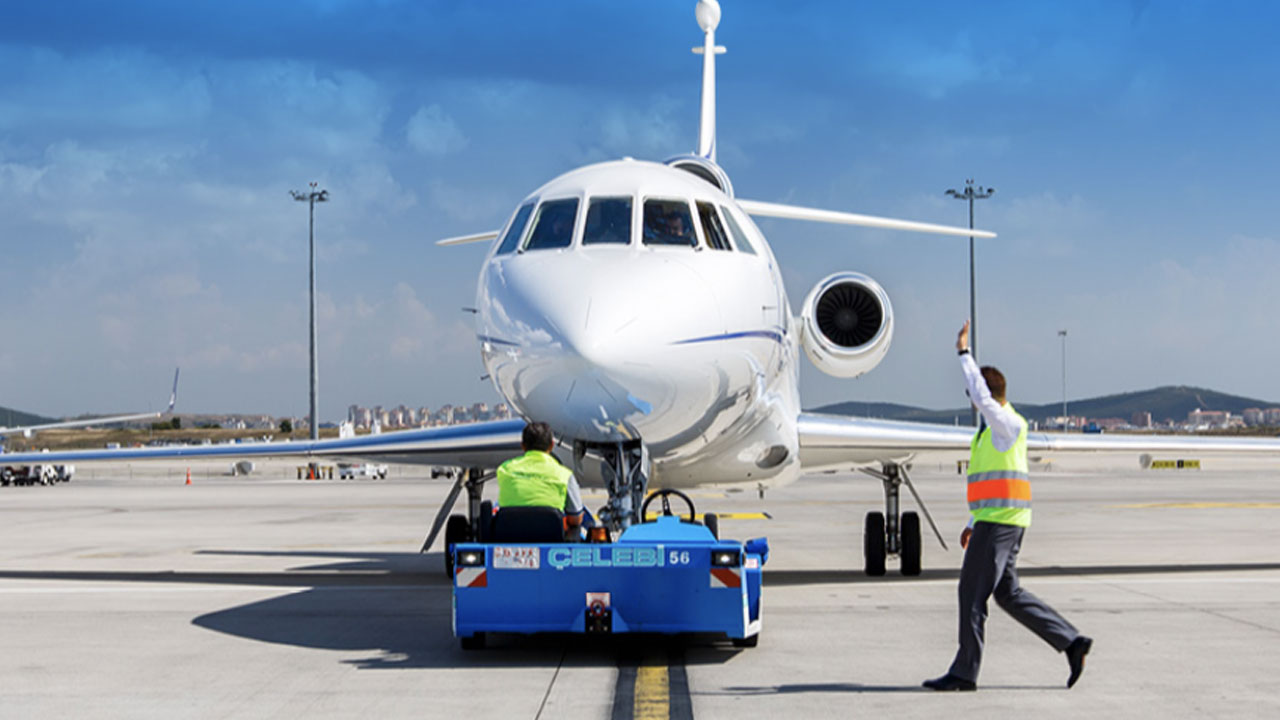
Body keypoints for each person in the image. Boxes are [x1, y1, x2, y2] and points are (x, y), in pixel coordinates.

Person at [923, 320, 1093, 692]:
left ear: (984, 391)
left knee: (971, 594)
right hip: (998, 520)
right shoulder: (990, 432)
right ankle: (1071, 641)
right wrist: (972, 520)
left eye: (973, 390)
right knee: (1008, 594)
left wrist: (963, 353)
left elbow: (982, 398)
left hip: (1000, 524)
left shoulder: (1005, 424)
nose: (970, 397)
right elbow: (991, 483)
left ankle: (965, 673)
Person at [496, 421, 584, 532]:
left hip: (509, 538)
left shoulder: (504, 469)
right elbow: (575, 519)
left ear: (523, 446)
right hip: (550, 539)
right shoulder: (564, 475)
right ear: (552, 445)